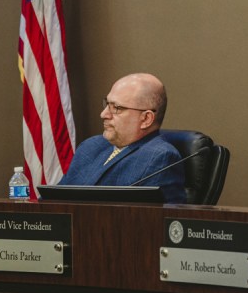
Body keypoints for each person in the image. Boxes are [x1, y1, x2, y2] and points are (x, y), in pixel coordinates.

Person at [59, 73, 186, 203]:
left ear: (146, 119)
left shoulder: (160, 157)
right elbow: (52, 201)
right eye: (107, 104)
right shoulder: (90, 146)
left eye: (117, 108)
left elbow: (158, 219)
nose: (103, 114)